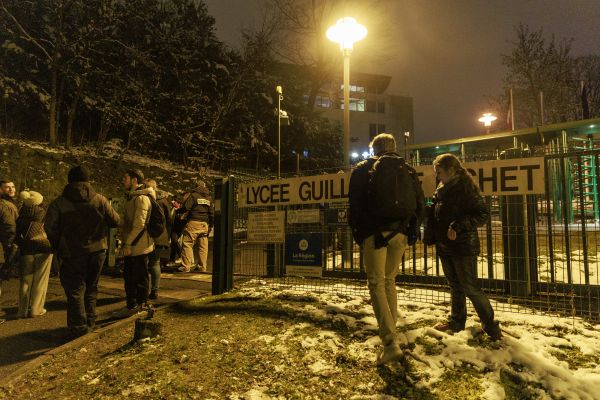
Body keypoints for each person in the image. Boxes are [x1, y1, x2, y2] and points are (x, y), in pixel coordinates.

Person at [348, 133, 425, 365]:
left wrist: (361, 233)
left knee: (376, 282)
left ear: (374, 150)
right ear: (393, 148)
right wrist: (411, 229)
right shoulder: (408, 170)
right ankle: (394, 334)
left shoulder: (363, 169)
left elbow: (355, 204)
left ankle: (390, 342)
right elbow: (421, 204)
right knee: (390, 281)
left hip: (375, 233)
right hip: (400, 232)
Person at [425, 153, 502, 341]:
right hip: (446, 244)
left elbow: (482, 213)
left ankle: (491, 326)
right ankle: (456, 321)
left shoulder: (465, 188)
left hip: (463, 245)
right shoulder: (442, 187)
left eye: (440, 172)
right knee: (455, 286)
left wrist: (458, 226)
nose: (437, 176)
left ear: (451, 170)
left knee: (469, 287)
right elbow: (437, 212)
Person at [44, 166, 120, 337]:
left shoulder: (59, 203)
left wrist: (58, 245)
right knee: (92, 287)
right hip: (98, 250)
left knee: (75, 290)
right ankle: (91, 321)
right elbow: (115, 221)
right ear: (87, 180)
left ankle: (78, 327)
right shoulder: (99, 200)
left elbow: (50, 229)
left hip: (72, 252)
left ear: (69, 181)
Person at [119, 169, 154, 313]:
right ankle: (132, 305)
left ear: (134, 180)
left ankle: (140, 305)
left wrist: (128, 243)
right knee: (129, 276)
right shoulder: (132, 197)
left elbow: (139, 225)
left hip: (139, 246)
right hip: (133, 244)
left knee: (139, 277)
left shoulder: (141, 198)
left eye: (125, 178)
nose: (123, 180)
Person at [15, 190, 53, 318]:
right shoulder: (44, 213)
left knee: (25, 281)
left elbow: (16, 234)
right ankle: (36, 310)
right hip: (43, 249)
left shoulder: (20, 215)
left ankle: (22, 311)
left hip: (26, 251)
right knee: (40, 281)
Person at [143, 178, 172, 299]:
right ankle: (155, 290)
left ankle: (143, 290)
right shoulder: (164, 201)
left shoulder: (145, 199)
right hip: (161, 235)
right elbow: (169, 220)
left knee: (144, 263)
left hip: (147, 235)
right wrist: (167, 235)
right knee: (155, 263)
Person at [177, 179, 213, 273]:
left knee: (187, 244)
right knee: (203, 247)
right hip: (204, 224)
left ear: (196, 186)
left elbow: (186, 207)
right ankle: (202, 267)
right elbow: (211, 213)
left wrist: (178, 210)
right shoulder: (209, 198)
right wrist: (211, 225)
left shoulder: (194, 195)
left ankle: (186, 266)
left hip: (193, 222)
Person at [0, 180, 18, 323]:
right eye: (7, 187)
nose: (11, 189)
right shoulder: (6, 206)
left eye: (12, 187)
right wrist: (10, 247)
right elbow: (9, 227)